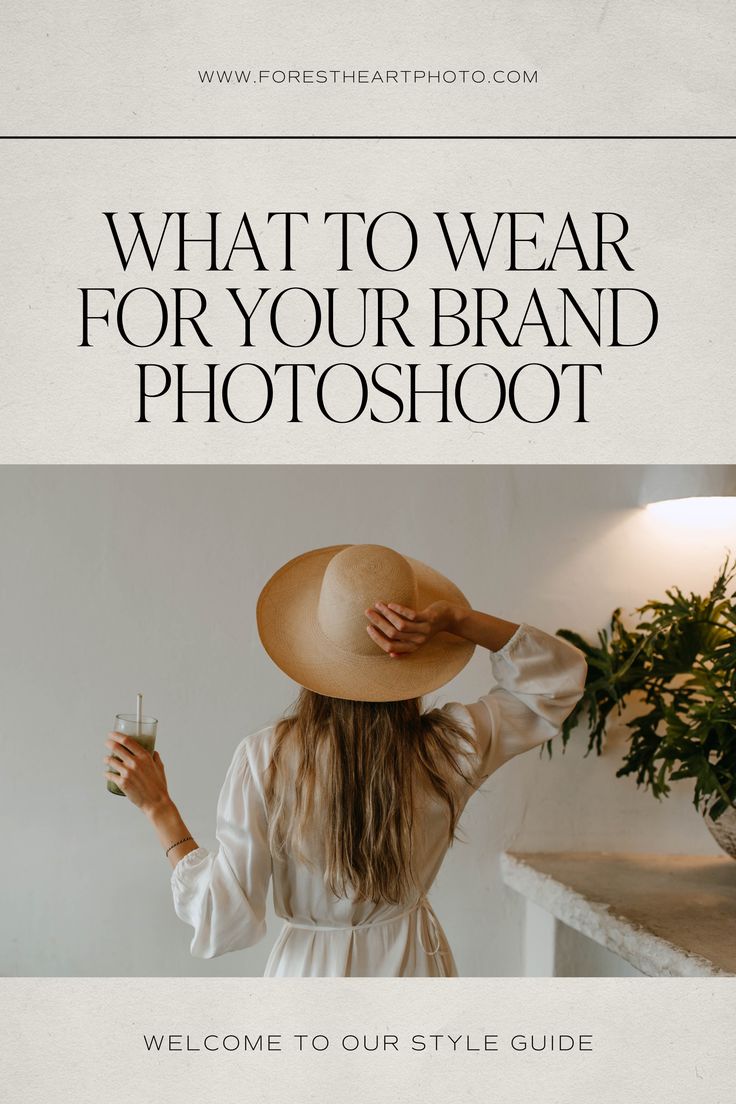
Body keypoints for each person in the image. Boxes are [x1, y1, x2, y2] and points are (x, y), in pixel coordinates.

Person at [104, 543, 587, 977]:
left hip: (310, 976)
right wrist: (457, 621)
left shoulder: (265, 758)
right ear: (416, 655)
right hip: (413, 969)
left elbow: (225, 916)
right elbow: (557, 680)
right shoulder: (450, 746)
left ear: (312, 654)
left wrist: (158, 808)